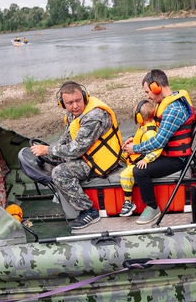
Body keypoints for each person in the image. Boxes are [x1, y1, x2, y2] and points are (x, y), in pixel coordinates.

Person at [20, 81, 122, 230]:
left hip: (100, 163)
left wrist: (49, 150)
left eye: (78, 100)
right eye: (69, 103)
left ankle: (89, 211)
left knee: (59, 173)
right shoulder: (74, 114)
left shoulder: (94, 117)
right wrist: (53, 150)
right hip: (89, 156)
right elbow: (67, 136)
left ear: (85, 97)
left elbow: (76, 149)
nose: (75, 106)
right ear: (63, 103)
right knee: (58, 159)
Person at [122, 69, 196, 224]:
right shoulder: (163, 103)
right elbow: (154, 129)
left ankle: (152, 207)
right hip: (164, 153)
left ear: (157, 87)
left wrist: (135, 148)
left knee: (139, 171)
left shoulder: (173, 109)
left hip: (175, 159)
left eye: (148, 91)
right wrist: (134, 140)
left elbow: (158, 142)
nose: (147, 96)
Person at [118, 100, 162, 217]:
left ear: (139, 117)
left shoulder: (150, 133)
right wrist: (132, 139)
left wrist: (145, 160)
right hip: (133, 156)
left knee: (125, 175)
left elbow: (156, 149)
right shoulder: (144, 127)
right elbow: (140, 138)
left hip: (139, 160)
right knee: (116, 154)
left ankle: (128, 202)